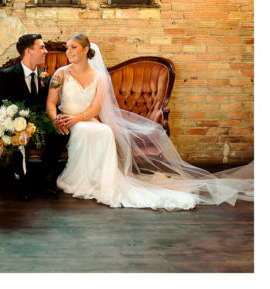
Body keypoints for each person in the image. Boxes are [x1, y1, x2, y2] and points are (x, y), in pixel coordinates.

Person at [47, 34, 254, 210]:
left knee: (105, 131)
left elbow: (96, 107)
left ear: (85, 50)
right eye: (67, 48)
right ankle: (78, 178)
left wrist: (79, 118)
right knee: (88, 131)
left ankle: (101, 180)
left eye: (73, 47)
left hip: (86, 119)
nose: (68, 51)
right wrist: (56, 119)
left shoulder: (100, 77)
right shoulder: (61, 74)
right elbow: (51, 102)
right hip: (66, 120)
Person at [0, 34, 66, 200]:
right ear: (28, 51)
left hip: (40, 124)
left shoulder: (45, 76)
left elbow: (49, 105)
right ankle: (24, 183)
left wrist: (58, 120)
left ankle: (41, 179)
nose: (46, 51)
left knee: (62, 133)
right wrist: (10, 123)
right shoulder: (7, 75)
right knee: (20, 135)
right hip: (17, 124)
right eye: (42, 48)